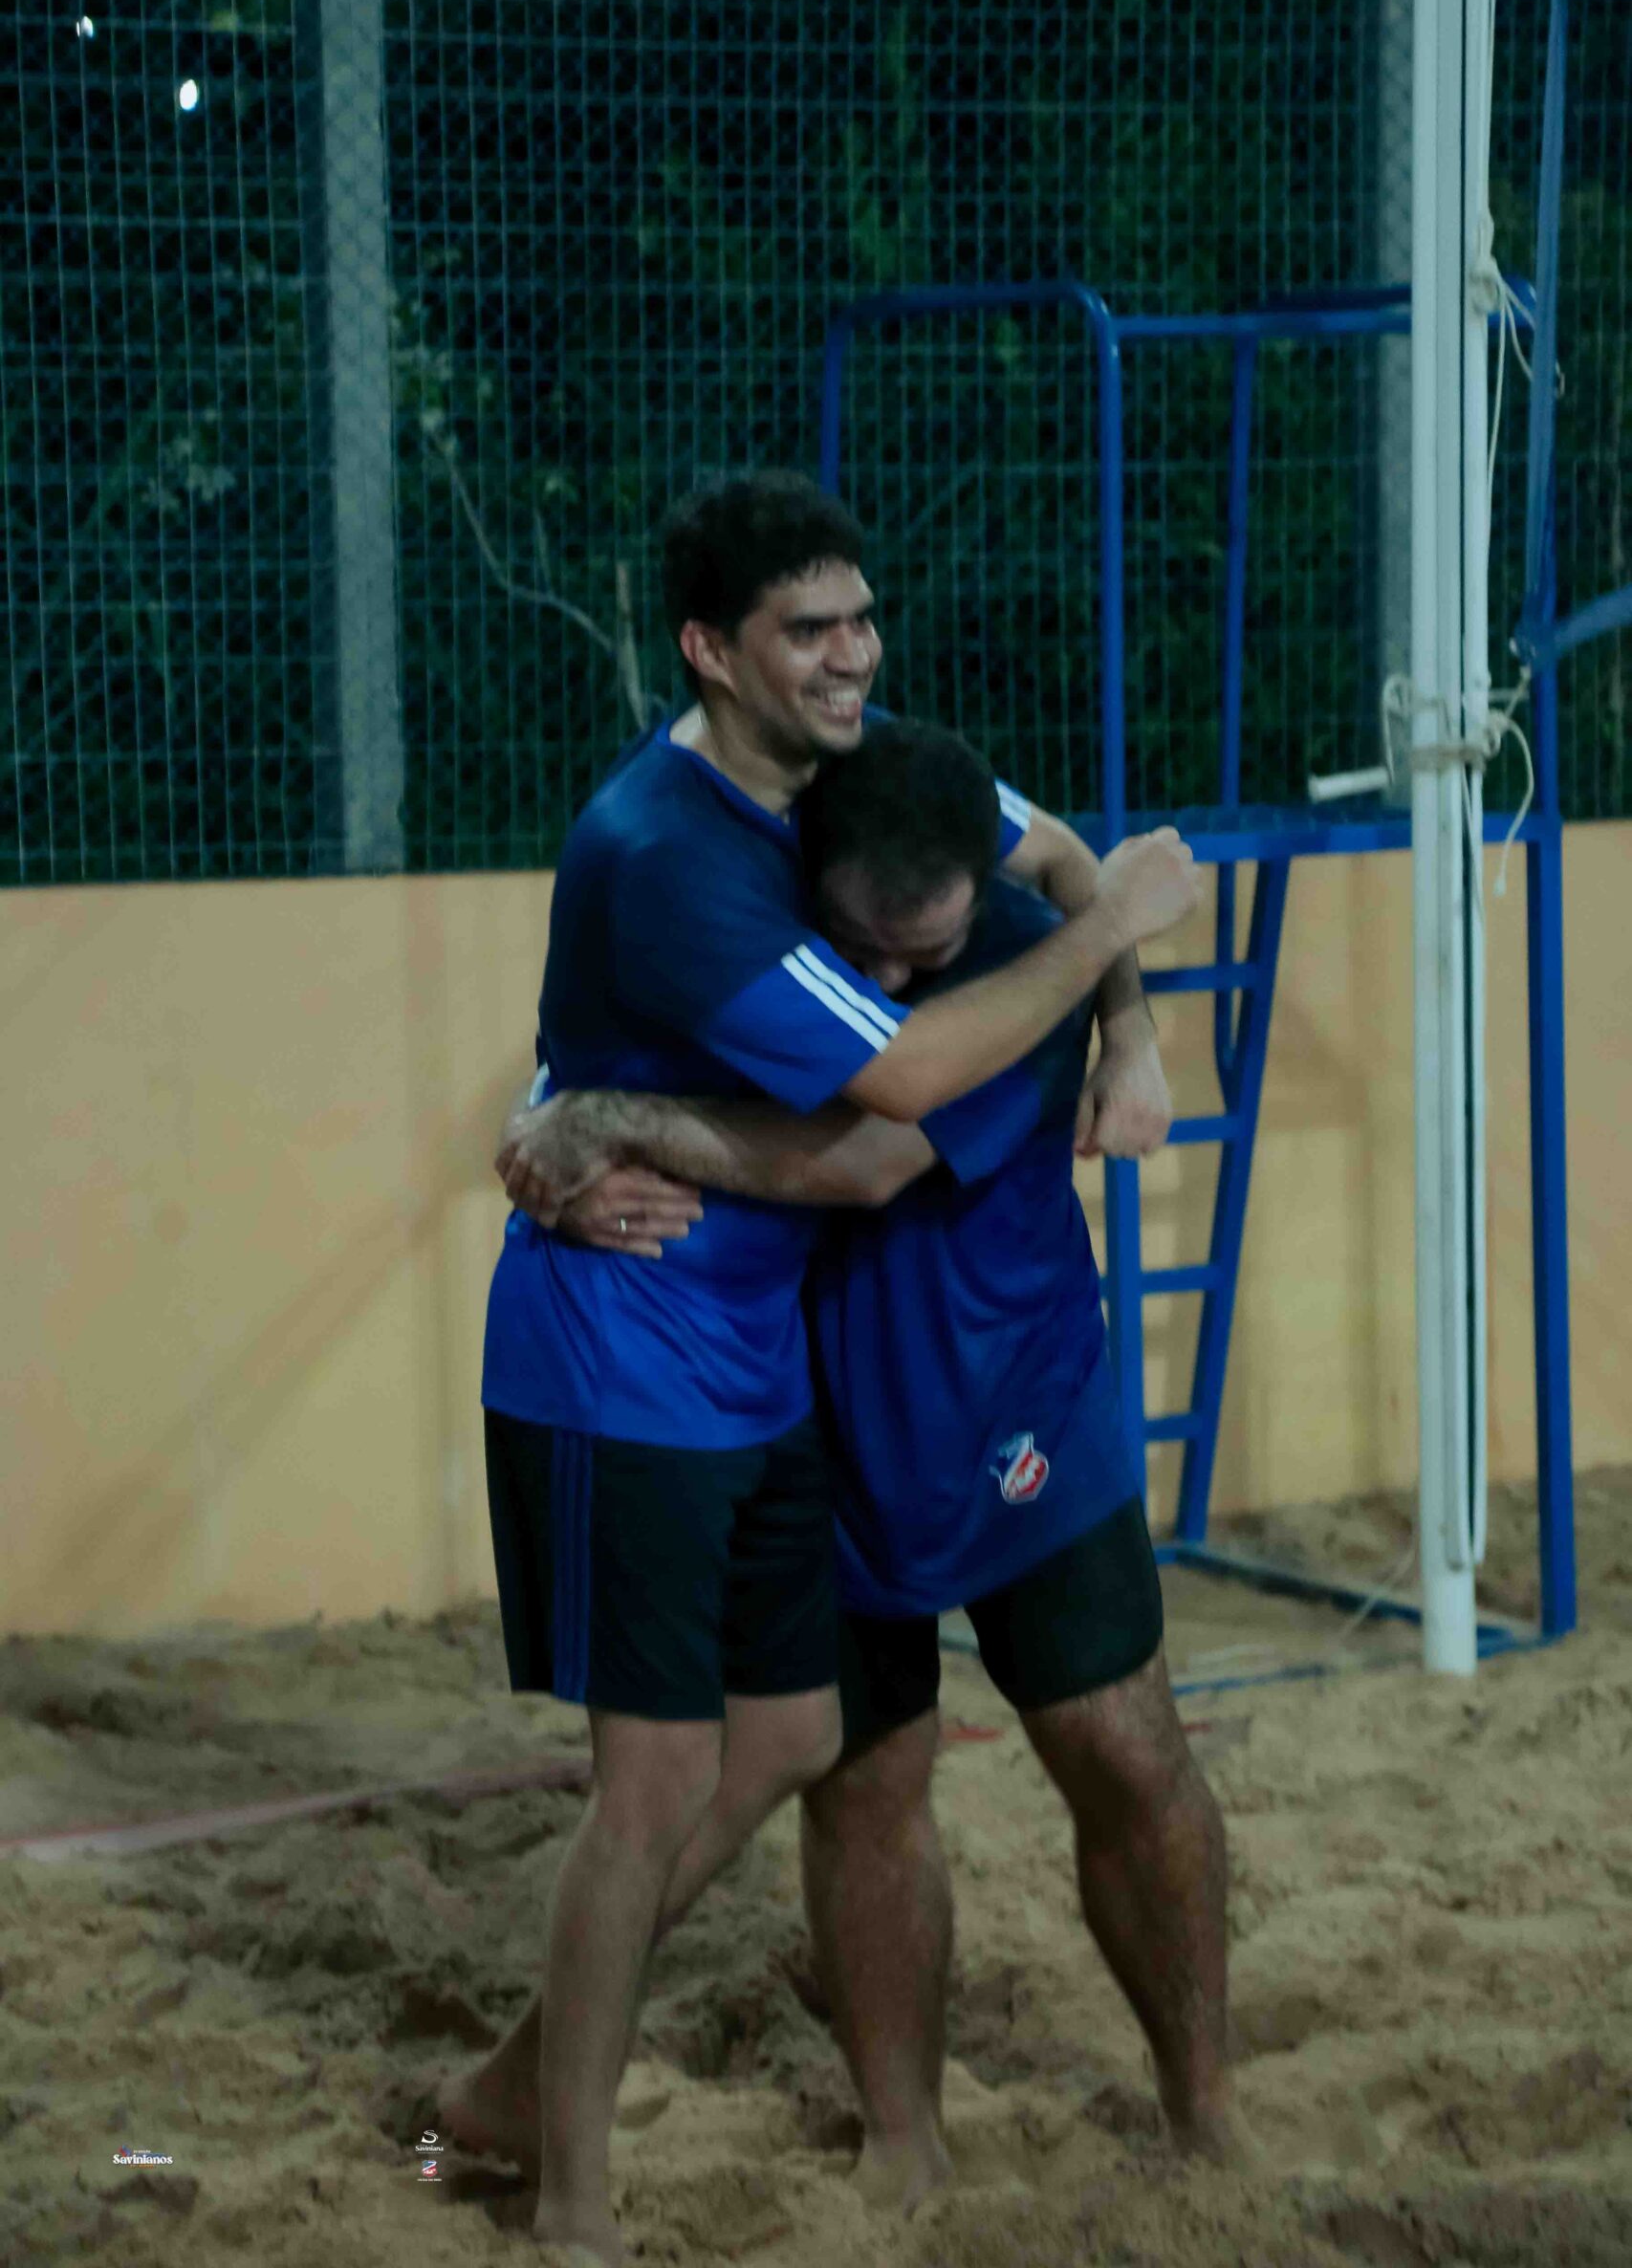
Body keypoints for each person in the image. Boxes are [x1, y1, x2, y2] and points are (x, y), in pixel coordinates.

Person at [447, 471, 1202, 2262]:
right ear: (712, 652)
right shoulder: (674, 853)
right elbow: (887, 1115)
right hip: (633, 1351)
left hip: (803, 1364)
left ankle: (509, 2088)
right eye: (808, 629)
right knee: (683, 1788)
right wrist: (584, 1121)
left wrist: (1127, 1025)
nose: (852, 652)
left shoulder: (865, 789)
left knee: (804, 1739)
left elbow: (1052, 852)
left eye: (861, 616)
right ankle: (573, 2205)